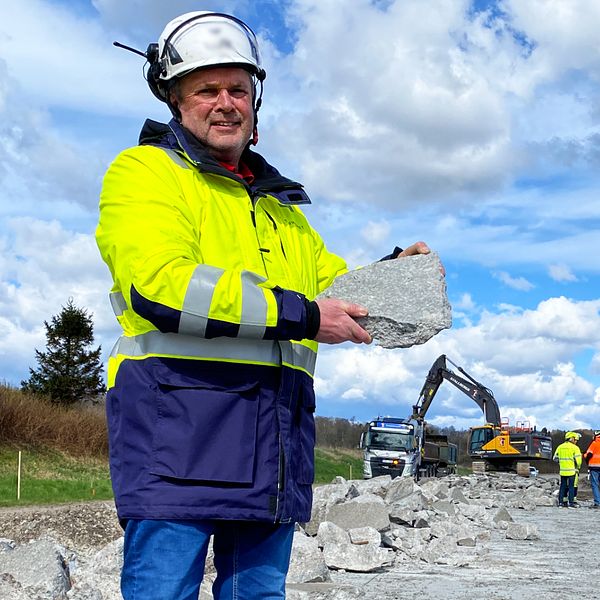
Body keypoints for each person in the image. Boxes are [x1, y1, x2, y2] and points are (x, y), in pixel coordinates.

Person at [96, 11, 432, 600]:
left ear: (256, 102)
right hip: (180, 441)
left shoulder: (281, 210)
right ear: (176, 100)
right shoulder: (146, 173)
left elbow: (330, 288)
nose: (226, 103)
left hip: (273, 446)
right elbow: (161, 287)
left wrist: (393, 276)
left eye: (239, 89)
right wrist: (303, 316)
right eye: (207, 89)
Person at [553, 431, 582, 508]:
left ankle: (561, 503)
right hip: (572, 471)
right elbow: (579, 462)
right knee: (571, 487)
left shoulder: (560, 447)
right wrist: (577, 468)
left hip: (563, 471)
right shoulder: (575, 448)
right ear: (571, 439)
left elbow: (555, 458)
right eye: (575, 439)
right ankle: (571, 503)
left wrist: (561, 463)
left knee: (562, 486)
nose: (576, 441)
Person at [584, 429, 600, 509]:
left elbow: (589, 454)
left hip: (595, 467)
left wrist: (586, 459)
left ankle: (597, 503)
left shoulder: (594, 443)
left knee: (595, 485)